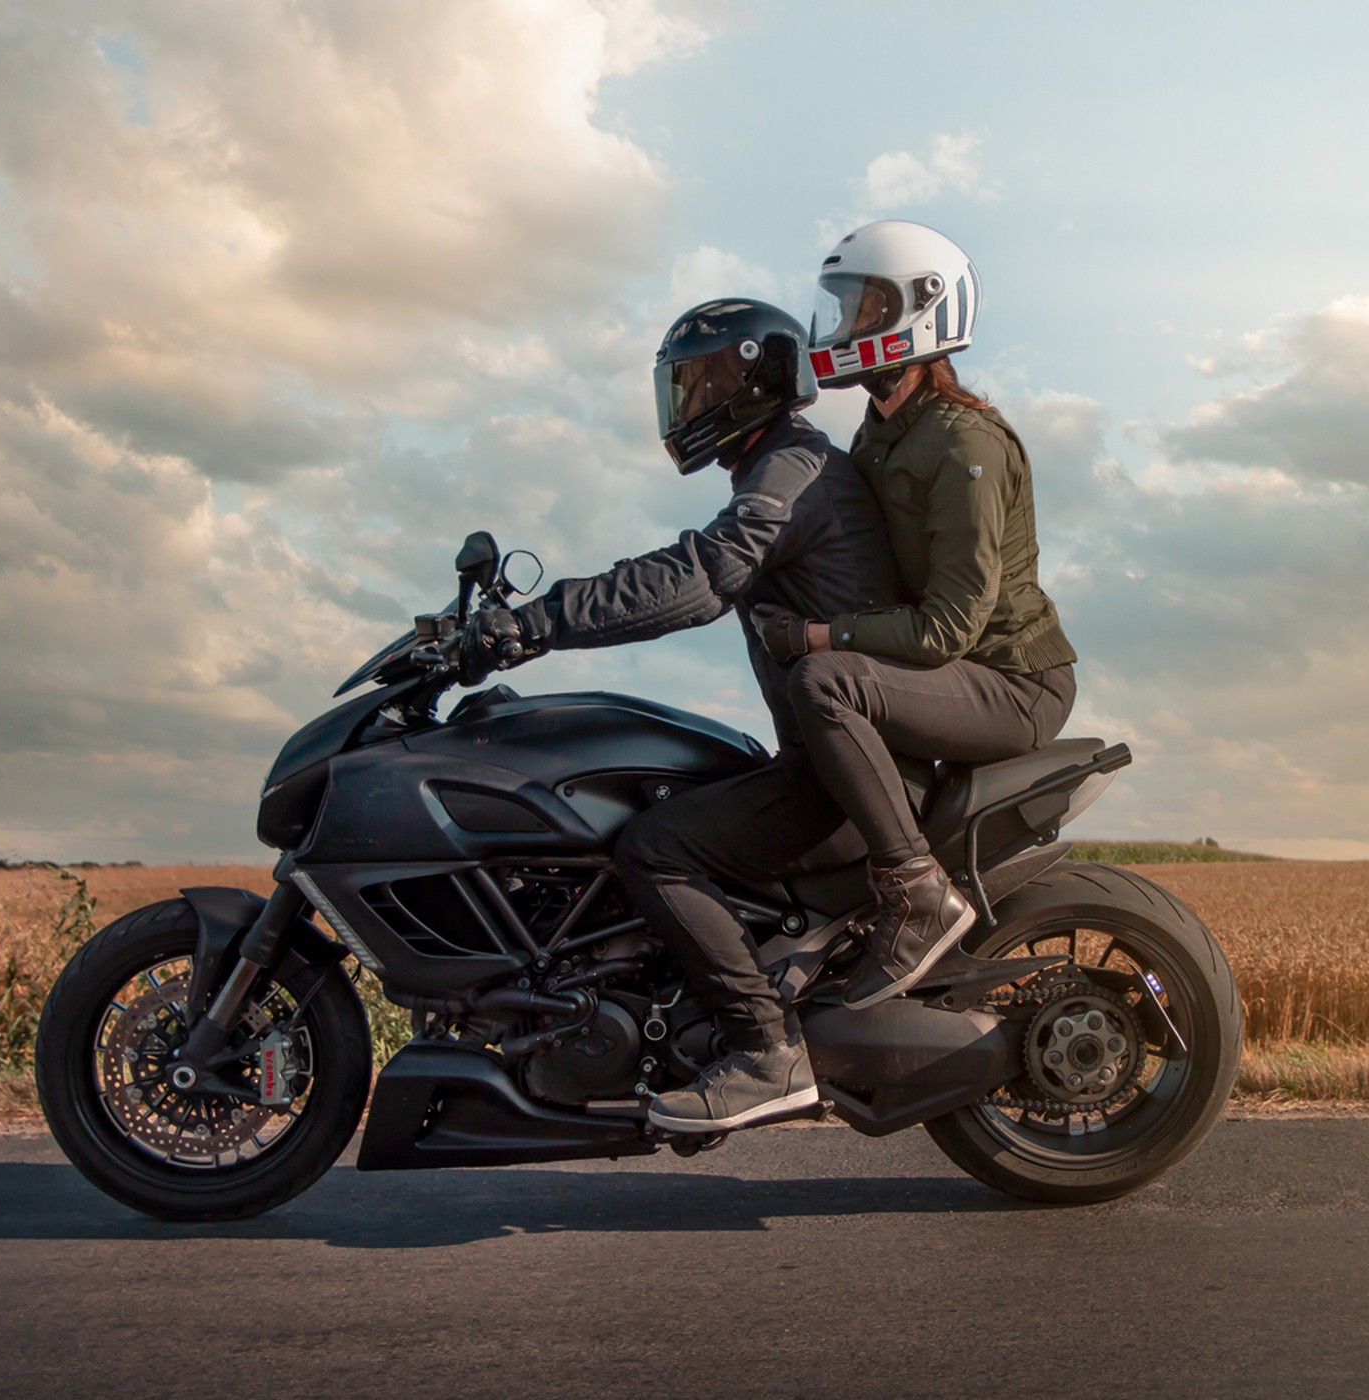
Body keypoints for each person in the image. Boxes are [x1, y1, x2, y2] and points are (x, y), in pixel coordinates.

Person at [461, 298, 899, 1132]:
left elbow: (699, 575)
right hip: (831, 750)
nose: (688, 406)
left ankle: (767, 1053)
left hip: (846, 768)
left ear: (754, 377)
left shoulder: (793, 469)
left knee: (655, 847)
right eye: (683, 389)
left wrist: (537, 622)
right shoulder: (784, 464)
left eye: (701, 385)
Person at [757, 221, 1078, 1011]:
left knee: (828, 681)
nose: (845, 327)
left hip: (1012, 683)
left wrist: (820, 637)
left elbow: (946, 630)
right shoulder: (881, 433)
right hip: (957, 673)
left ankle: (916, 893)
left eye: (865, 309)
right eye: (846, 308)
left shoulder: (967, 445)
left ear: (920, 313)